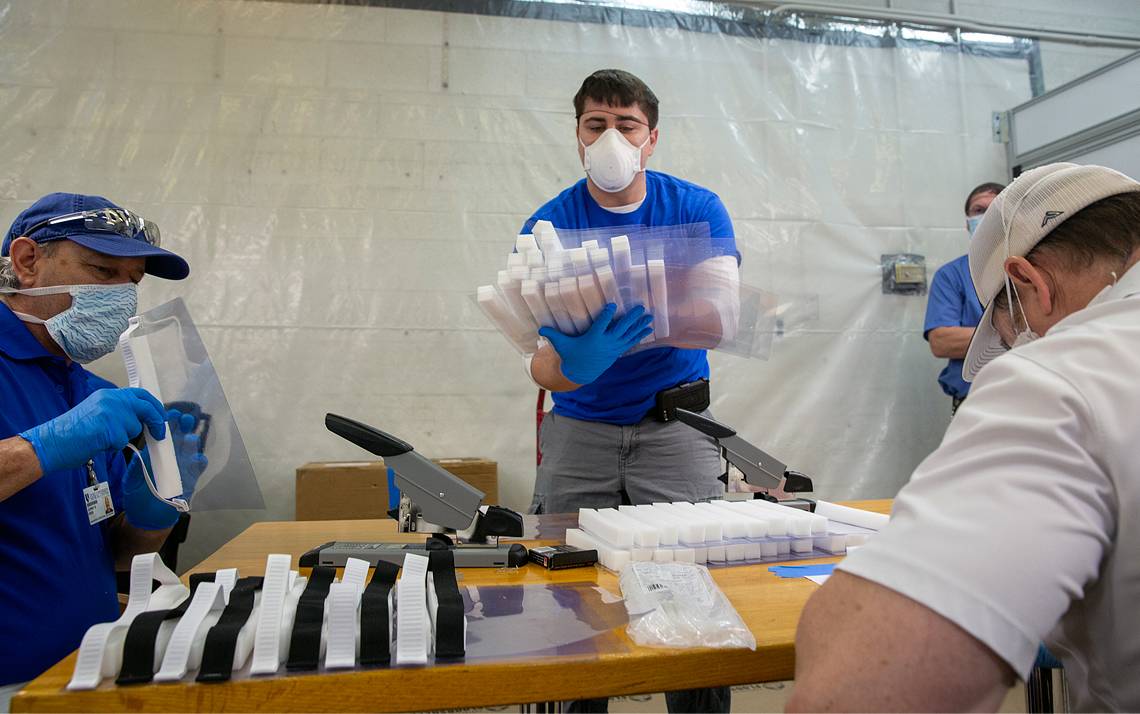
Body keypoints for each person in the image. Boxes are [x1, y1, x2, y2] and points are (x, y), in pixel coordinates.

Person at [789, 164, 1140, 713]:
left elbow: (858, 691)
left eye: (1015, 334)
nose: (1024, 348)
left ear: (1029, 282)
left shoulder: (1058, 382)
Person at [522, 70, 739, 713]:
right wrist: (577, 362)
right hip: (580, 432)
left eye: (626, 125)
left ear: (651, 139)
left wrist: (659, 318)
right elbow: (540, 366)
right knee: (570, 602)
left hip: (674, 430)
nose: (611, 137)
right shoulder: (549, 225)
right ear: (578, 136)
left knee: (690, 604)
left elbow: (722, 320)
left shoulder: (695, 210)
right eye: (596, 125)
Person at [0, 193, 192, 702]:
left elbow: (120, 554)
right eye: (103, 272)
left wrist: (156, 509)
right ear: (26, 262)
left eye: (133, 282)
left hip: (88, 672)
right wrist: (43, 447)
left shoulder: (90, 392)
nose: (122, 299)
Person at [923, 181, 1004, 415]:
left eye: (995, 209)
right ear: (967, 222)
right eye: (978, 210)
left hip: (1037, 398)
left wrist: (979, 338)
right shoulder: (952, 275)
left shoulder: (1038, 267)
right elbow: (942, 341)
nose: (986, 216)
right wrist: (1025, 335)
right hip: (975, 403)